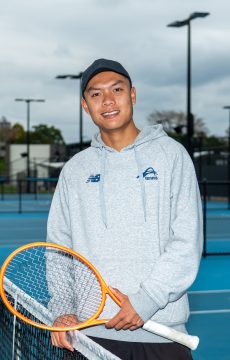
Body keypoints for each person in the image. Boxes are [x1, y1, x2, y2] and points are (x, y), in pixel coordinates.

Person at [47, 58, 203, 360]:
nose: (107, 100)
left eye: (116, 90)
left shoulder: (172, 156)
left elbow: (186, 241)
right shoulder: (74, 170)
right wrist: (64, 310)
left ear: (132, 95)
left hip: (161, 336)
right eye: (95, 94)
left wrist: (145, 301)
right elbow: (59, 250)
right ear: (84, 105)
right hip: (87, 338)